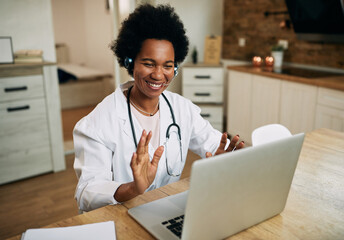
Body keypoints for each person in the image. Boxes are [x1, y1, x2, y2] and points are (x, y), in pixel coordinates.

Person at [73, 4, 244, 212]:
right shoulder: (97, 123)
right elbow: (86, 193)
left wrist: (224, 161)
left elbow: (215, 145)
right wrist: (133, 188)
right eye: (149, 63)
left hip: (165, 210)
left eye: (168, 65)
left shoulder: (182, 109)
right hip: (119, 218)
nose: (158, 75)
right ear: (130, 61)